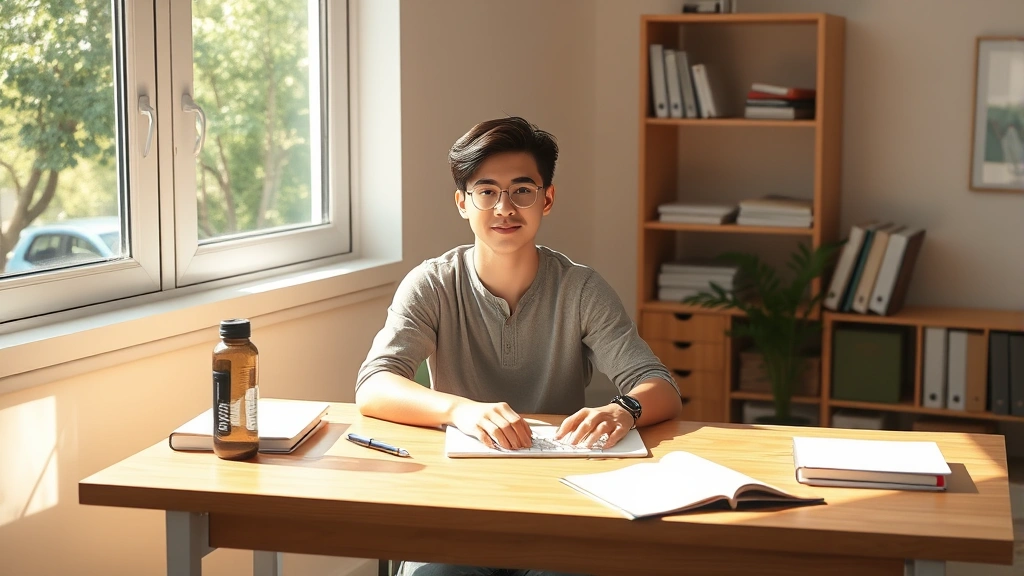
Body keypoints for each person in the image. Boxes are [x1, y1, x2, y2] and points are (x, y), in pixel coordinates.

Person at [355, 116, 681, 576]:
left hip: (559, 500)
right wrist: (462, 411)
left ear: (547, 199)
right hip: (458, 501)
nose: (504, 208)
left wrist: (623, 408)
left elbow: (660, 386)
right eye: (486, 191)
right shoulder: (431, 284)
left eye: (522, 190)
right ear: (463, 203)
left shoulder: (581, 289)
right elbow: (374, 384)